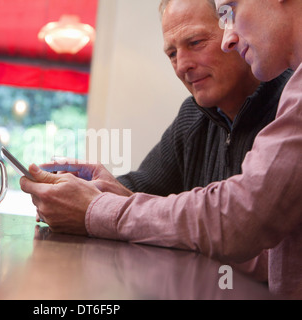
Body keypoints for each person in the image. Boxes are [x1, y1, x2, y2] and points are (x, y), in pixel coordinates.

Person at [21, 0, 302, 298]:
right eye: (171, 53)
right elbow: (151, 198)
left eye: (195, 42)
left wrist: (95, 209)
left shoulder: (289, 103)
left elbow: (238, 220)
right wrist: (95, 193)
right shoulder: (194, 116)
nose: (182, 66)